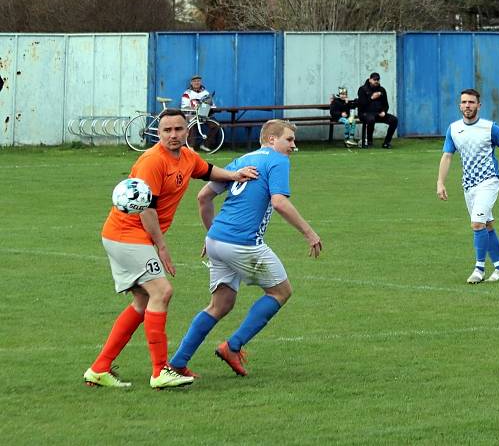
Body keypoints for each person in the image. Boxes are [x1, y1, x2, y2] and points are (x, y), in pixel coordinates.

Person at [83, 109, 258, 389]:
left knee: (142, 302)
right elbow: (145, 211)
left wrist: (236, 174)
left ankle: (99, 368)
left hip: (134, 236)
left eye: (178, 129)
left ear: (187, 130)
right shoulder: (152, 161)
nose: (173, 135)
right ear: (159, 133)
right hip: (127, 234)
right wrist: (162, 248)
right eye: (167, 131)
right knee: (162, 291)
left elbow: (208, 171)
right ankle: (160, 371)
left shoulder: (187, 157)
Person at [168, 120, 322, 377]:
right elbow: (279, 202)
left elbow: (203, 197)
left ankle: (177, 362)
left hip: (217, 241)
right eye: (289, 140)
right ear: (272, 140)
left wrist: (212, 234)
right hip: (242, 243)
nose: (293, 146)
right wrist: (309, 233)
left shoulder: (242, 160)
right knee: (281, 292)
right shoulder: (278, 160)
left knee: (221, 304)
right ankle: (233, 346)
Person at [436, 89, 499, 284]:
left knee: (477, 224)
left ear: (479, 105)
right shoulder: (454, 129)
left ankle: (479, 269)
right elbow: (447, 156)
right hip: (469, 185)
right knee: (487, 225)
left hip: (489, 181)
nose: (467, 106)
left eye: (471, 102)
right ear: (460, 105)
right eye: (464, 102)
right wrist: (440, 182)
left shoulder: (490, 128)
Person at [357, 72, 398, 149]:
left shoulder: (382, 90)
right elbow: (362, 104)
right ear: (370, 80)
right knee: (371, 119)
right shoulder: (362, 89)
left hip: (378, 113)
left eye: (378, 79)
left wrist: (383, 111)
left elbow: (386, 105)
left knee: (394, 120)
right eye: (374, 79)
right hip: (364, 113)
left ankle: (386, 142)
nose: (376, 81)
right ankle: (369, 141)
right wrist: (372, 98)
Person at [181, 75, 218, 152]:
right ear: (191, 83)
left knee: (215, 125)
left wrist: (210, 108)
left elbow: (212, 105)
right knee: (192, 125)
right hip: (191, 115)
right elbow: (184, 107)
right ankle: (191, 146)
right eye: (194, 81)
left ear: (201, 82)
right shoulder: (187, 93)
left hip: (204, 115)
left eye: (198, 81)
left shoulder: (206, 93)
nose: (196, 83)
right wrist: (193, 109)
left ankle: (205, 145)